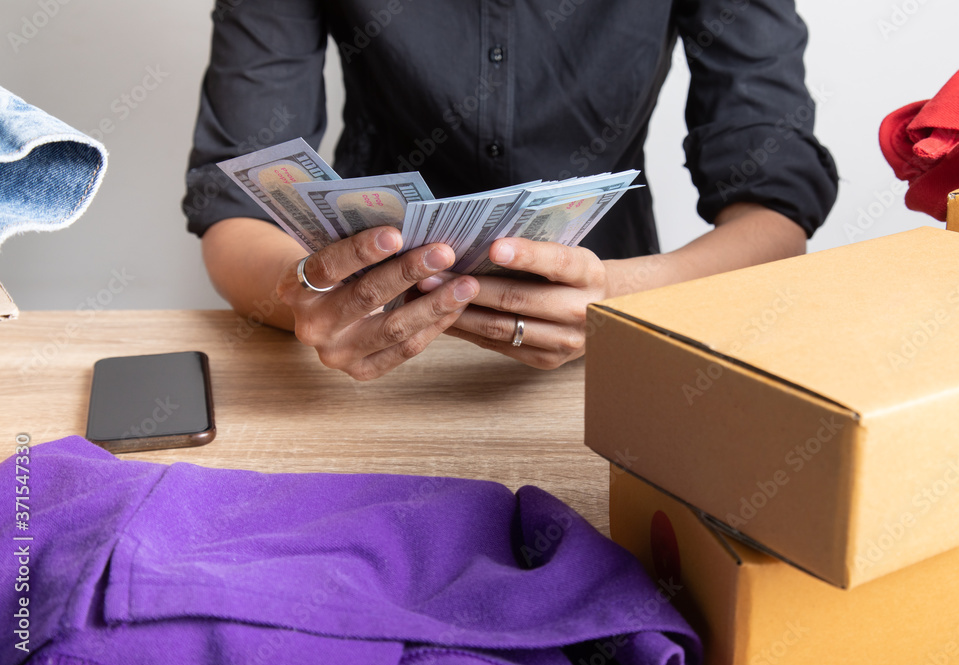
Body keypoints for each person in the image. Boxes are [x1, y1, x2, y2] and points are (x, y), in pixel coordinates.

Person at [183, 0, 838, 380]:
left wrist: (621, 299)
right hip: (362, 354)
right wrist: (309, 293)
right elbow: (236, 197)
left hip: (622, 340)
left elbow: (775, 206)